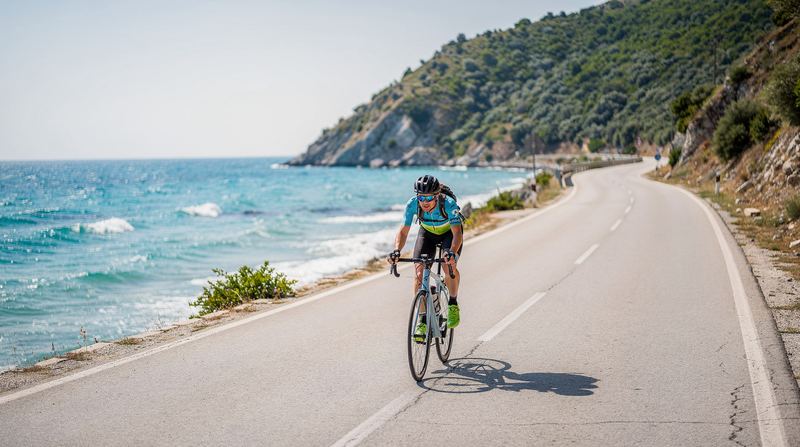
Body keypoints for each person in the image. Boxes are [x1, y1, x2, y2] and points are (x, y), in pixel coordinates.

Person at [388, 175, 463, 340]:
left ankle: (452, 303)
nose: (425, 202)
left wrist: (451, 252)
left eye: (429, 198)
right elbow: (403, 230)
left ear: (437, 195)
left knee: (447, 265)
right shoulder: (412, 204)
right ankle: (422, 319)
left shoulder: (449, 204)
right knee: (420, 274)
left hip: (449, 235)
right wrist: (396, 251)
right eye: (421, 197)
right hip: (427, 234)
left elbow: (457, 233)